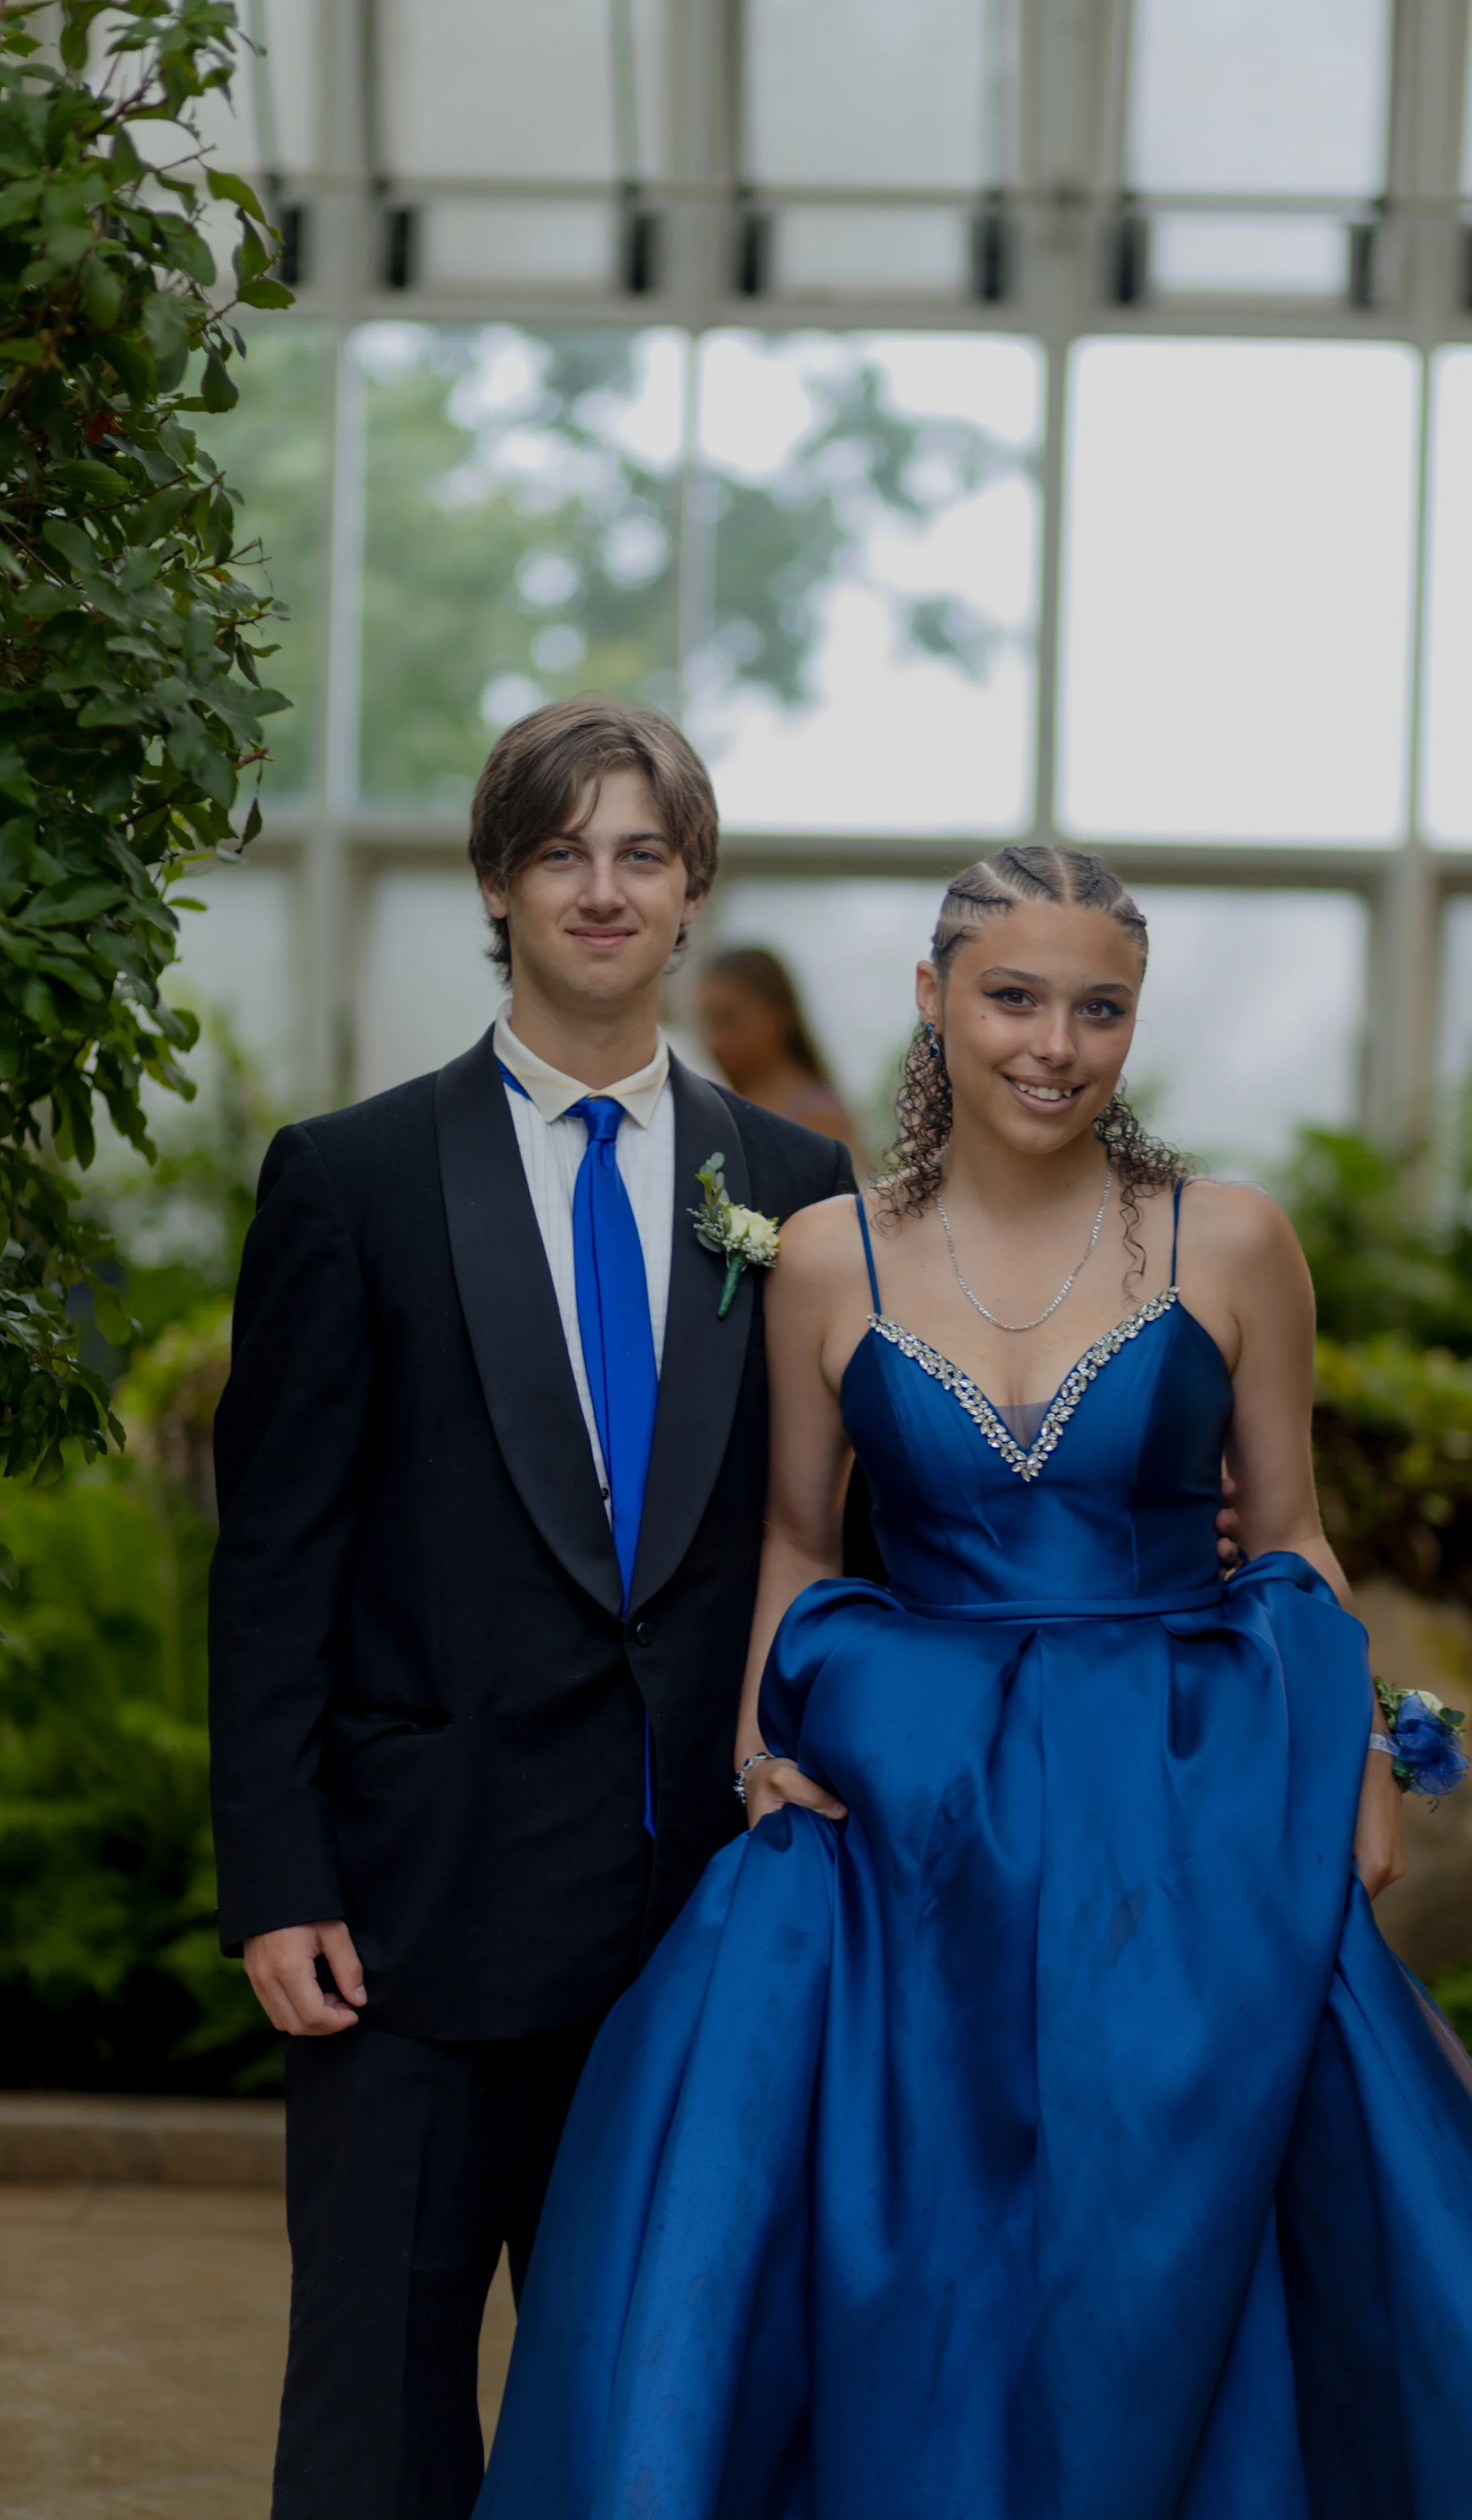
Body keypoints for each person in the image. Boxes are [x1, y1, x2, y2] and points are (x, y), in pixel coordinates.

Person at [478, 844, 1472, 2520]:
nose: (1054, 1041)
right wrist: (762, 1755)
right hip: (910, 1812)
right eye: (1013, 996)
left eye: (1097, 1006)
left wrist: (1355, 1760)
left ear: (1132, 1023)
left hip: (1181, 1799)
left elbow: (1298, 1535)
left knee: (1189, 2223)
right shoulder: (826, 1253)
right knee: (900, 2234)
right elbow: (803, 1547)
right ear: (932, 1002)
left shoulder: (1234, 1239)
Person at [208, 699, 861, 2520]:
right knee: (377, 2421)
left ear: (692, 886)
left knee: (660, 2419)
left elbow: (851, 1533)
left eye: (640, 851)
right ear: (495, 884)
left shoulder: (799, 1198)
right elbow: (274, 1562)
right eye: (560, 850)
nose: (602, 886)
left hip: (693, 1918)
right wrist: (279, 1873)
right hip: (407, 1920)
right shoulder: (348, 1180)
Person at [698, 942, 855, 1148]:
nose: (716, 1040)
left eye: (729, 1019)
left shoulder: (817, 1118)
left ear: (780, 1016)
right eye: (709, 1022)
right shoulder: (716, 1108)